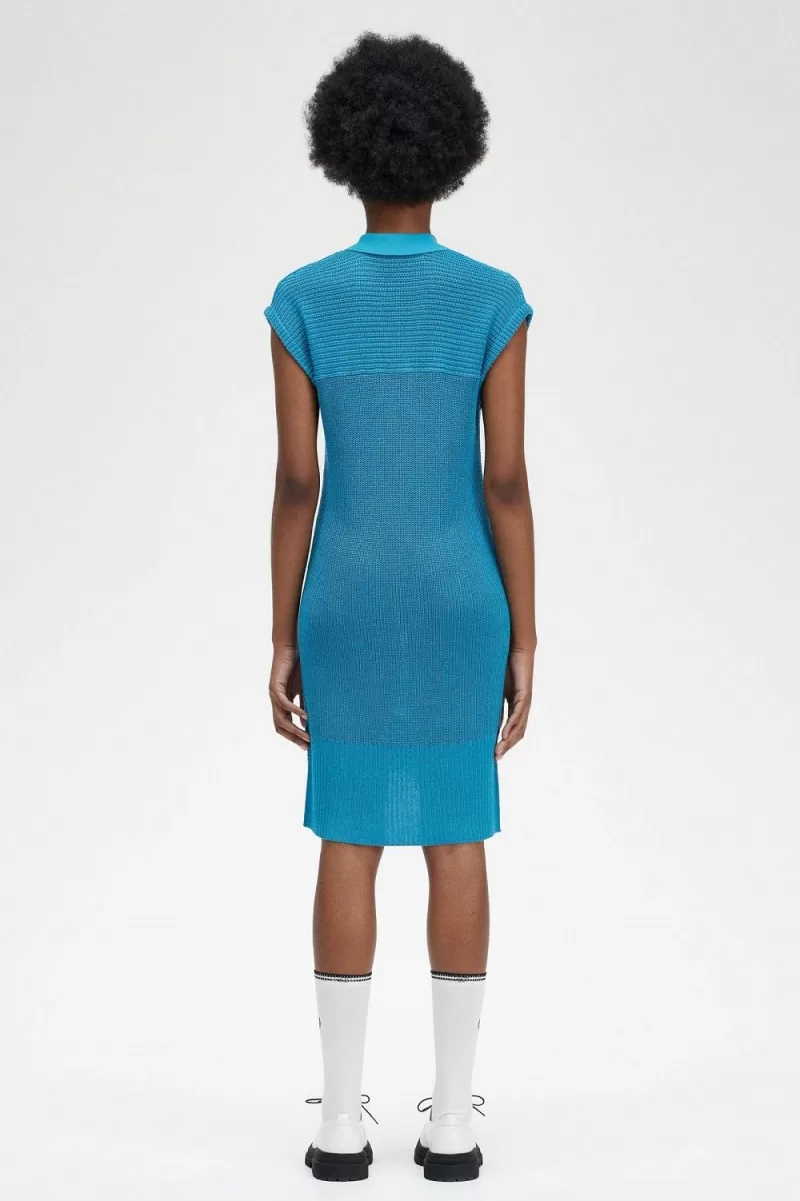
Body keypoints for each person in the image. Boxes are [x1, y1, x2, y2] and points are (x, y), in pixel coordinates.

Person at [265, 32, 536, 1183]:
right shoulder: (492, 300)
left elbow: (298, 480)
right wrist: (525, 632)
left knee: (348, 833)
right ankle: (454, 1121)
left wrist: (281, 629)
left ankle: (339, 1119)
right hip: (461, 595)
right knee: (455, 832)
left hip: (343, 597)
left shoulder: (301, 300)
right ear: (453, 150)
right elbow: (503, 479)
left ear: (342, 149)